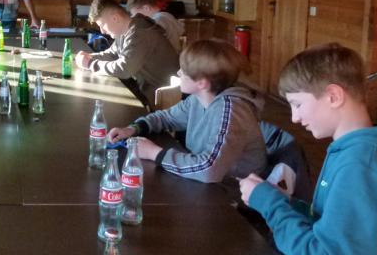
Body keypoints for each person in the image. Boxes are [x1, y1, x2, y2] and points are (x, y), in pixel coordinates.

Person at [238, 43, 377, 255]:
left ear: (334, 96)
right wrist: (289, 204)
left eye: (297, 104)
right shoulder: (361, 147)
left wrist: (269, 203)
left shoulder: (360, 164)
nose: (294, 118)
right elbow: (337, 224)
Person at [108, 39, 266, 183]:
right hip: (207, 183)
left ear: (202, 83)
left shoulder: (231, 110)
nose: (178, 73)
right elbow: (166, 118)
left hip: (235, 192)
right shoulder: (198, 98)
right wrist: (133, 129)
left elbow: (209, 170)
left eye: (184, 71)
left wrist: (154, 153)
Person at [75, 0, 179, 109]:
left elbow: (124, 69)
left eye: (102, 25)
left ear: (115, 18)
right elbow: (112, 54)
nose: (102, 31)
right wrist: (89, 57)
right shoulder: (126, 31)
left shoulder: (140, 33)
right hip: (146, 91)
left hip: (163, 99)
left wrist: (90, 64)